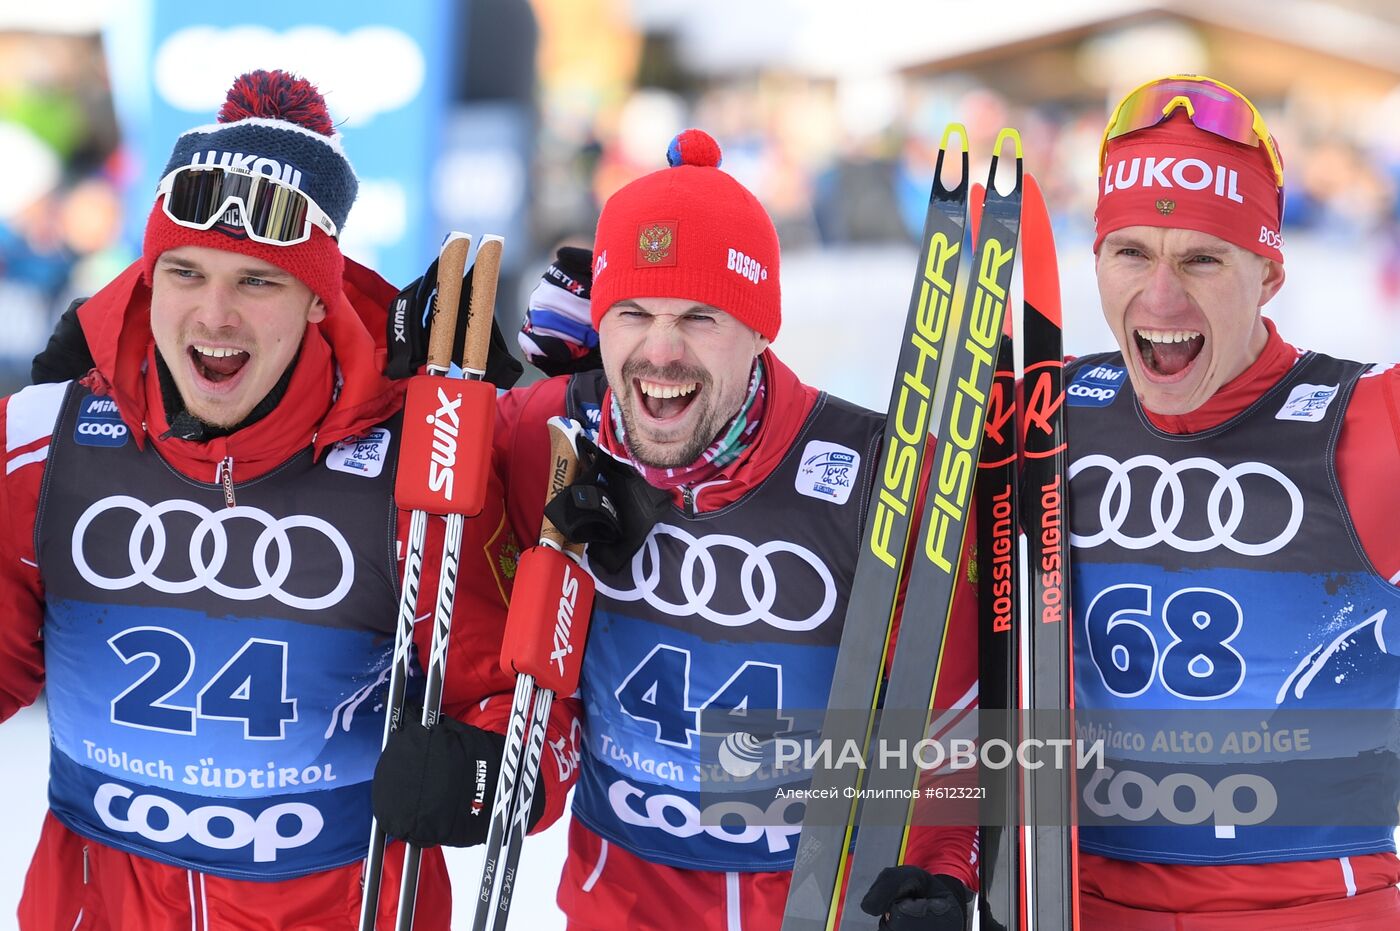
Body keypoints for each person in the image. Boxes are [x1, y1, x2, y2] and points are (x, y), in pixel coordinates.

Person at [0, 69, 576, 929]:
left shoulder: (418, 463)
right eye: (185, 273)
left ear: (318, 296)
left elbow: (521, 707)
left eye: (259, 281)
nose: (214, 315)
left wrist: (485, 775)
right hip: (96, 905)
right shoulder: (43, 443)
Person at [496, 129, 979, 930]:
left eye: (700, 317)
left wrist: (938, 871)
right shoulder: (549, 433)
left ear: (760, 329)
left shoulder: (880, 470)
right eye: (633, 313)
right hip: (615, 903)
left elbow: (953, 709)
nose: (660, 351)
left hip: (814, 904)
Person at [1067, 74, 1400, 927]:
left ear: (1269, 274)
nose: (1162, 297)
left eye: (1202, 258)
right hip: (1086, 901)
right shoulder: (1043, 419)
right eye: (1131, 252)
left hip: (1315, 904)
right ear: (1095, 258)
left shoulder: (1368, 421)